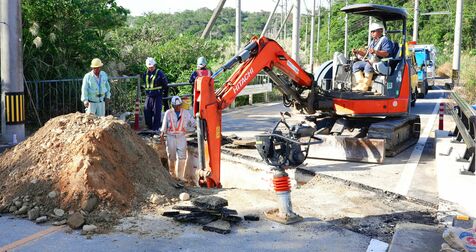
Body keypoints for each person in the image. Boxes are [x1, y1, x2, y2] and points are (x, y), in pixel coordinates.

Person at [160, 96, 196, 181]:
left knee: (182, 156)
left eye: (179, 106)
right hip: (170, 137)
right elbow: (164, 125)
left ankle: (180, 176)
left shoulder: (186, 113)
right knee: (171, 156)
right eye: (175, 106)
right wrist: (162, 133)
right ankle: (172, 175)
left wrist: (197, 126)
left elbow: (193, 122)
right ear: (172, 106)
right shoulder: (168, 113)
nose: (177, 108)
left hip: (181, 136)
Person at [352, 22, 393, 92]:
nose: (372, 33)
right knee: (356, 65)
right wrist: (358, 52)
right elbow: (367, 54)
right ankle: (360, 84)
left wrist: (375, 51)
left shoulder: (385, 40)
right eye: (371, 32)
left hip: (382, 63)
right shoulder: (372, 42)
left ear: (380, 31)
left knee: (368, 65)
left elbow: (386, 53)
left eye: (374, 31)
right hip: (372, 62)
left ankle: (365, 86)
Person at [143, 57, 168, 131]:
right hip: (149, 95)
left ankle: (155, 128)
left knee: (157, 111)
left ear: (154, 65)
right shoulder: (146, 73)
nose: (151, 68)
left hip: (157, 95)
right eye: (149, 67)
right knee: (146, 110)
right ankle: (149, 126)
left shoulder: (159, 73)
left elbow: (165, 84)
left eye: (152, 67)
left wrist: (161, 92)